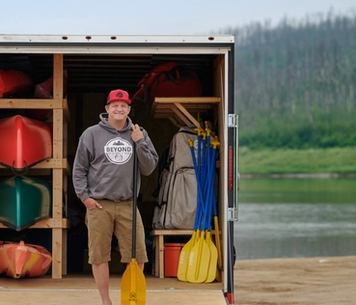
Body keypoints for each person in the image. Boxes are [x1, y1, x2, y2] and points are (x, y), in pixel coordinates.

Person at [72, 88, 158, 305]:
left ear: (129, 109)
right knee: (99, 256)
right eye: (115, 105)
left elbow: (148, 168)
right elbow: (79, 169)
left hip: (128, 204)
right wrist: (85, 198)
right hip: (99, 205)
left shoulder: (140, 133)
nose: (119, 109)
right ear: (107, 109)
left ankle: (130, 298)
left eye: (123, 106)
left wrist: (139, 142)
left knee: (138, 256)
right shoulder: (91, 134)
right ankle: (105, 301)